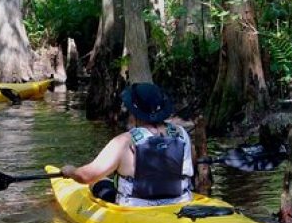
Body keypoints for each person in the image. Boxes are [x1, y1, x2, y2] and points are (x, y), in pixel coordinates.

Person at [60, 82, 194, 207]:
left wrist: (71, 171)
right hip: (179, 203)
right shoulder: (182, 134)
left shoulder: (124, 141)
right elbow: (191, 163)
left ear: (134, 112)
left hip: (136, 209)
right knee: (105, 182)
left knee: (97, 183)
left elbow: (86, 176)